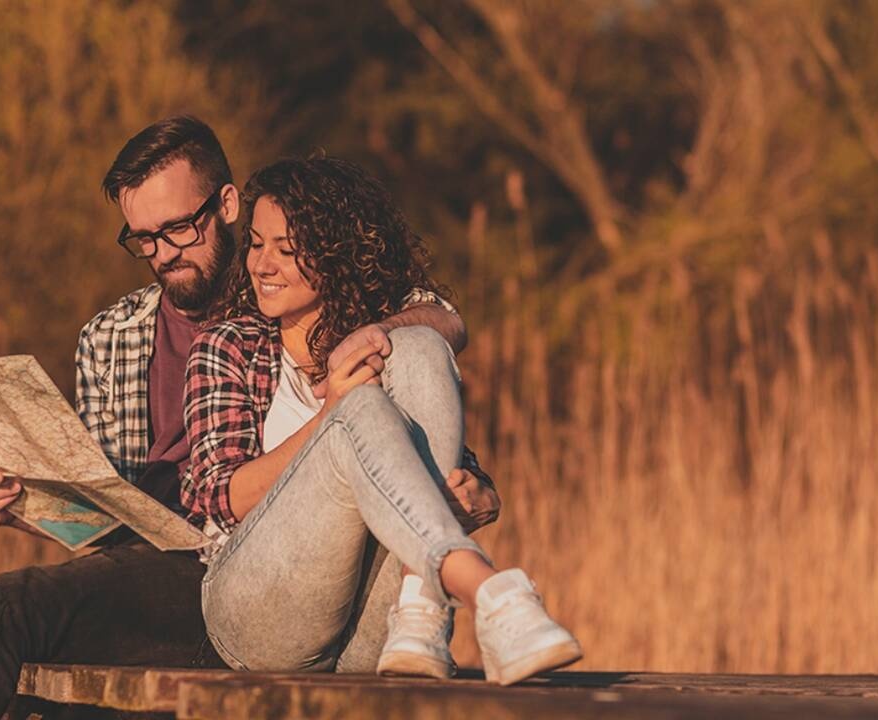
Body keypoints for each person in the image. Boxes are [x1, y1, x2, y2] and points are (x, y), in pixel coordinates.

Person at [0, 116, 499, 719]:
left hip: (216, 571)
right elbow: (101, 522)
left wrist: (458, 475)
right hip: (131, 565)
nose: (163, 253)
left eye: (177, 230)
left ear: (225, 206)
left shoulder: (289, 301)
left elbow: (434, 320)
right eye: (143, 238)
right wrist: (23, 502)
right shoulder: (108, 338)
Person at [183, 156, 582, 686]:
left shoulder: (385, 338)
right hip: (258, 613)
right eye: (256, 244)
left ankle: (422, 599)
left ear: (336, 255)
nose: (262, 265)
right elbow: (221, 496)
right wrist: (330, 416)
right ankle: (485, 588)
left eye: (286, 249)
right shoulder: (227, 344)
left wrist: (479, 493)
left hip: (379, 626)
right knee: (361, 408)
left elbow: (442, 330)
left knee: (416, 345)